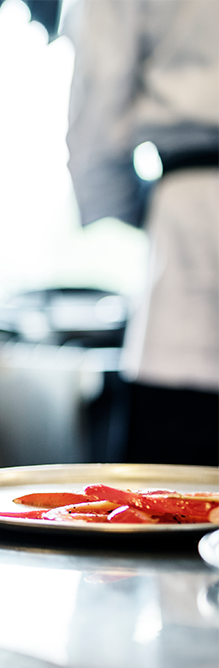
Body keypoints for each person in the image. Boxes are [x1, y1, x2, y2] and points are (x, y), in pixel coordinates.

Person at [66, 0, 219, 464]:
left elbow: (99, 113)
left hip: (194, 230)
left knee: (170, 510)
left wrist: (143, 209)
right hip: (191, 212)